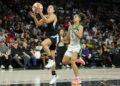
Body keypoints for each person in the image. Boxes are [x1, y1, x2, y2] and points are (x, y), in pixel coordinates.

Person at [29, 5, 59, 84]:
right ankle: (54, 75)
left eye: (51, 7)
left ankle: (50, 59)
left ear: (54, 10)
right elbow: (38, 24)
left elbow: (47, 21)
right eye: (48, 7)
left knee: (43, 43)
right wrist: (35, 17)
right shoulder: (45, 16)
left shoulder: (53, 16)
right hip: (50, 37)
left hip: (55, 37)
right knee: (52, 58)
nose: (48, 8)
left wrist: (40, 13)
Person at [61, 13, 87, 83]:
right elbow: (67, 37)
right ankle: (78, 59)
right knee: (64, 62)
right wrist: (61, 40)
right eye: (74, 17)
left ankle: (77, 78)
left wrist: (72, 29)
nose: (74, 18)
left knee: (72, 61)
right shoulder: (70, 27)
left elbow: (80, 36)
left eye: (76, 17)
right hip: (70, 46)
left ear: (79, 19)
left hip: (77, 46)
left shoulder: (80, 26)